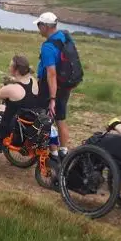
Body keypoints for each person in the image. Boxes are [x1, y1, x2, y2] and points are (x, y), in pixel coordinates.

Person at [34, 12, 73, 163]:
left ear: (45, 26)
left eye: (39, 25)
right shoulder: (65, 37)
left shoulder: (48, 46)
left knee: (45, 118)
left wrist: (52, 98)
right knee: (61, 119)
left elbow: (51, 73)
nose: (38, 29)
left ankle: (53, 154)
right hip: (65, 86)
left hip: (50, 87)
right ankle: (64, 151)